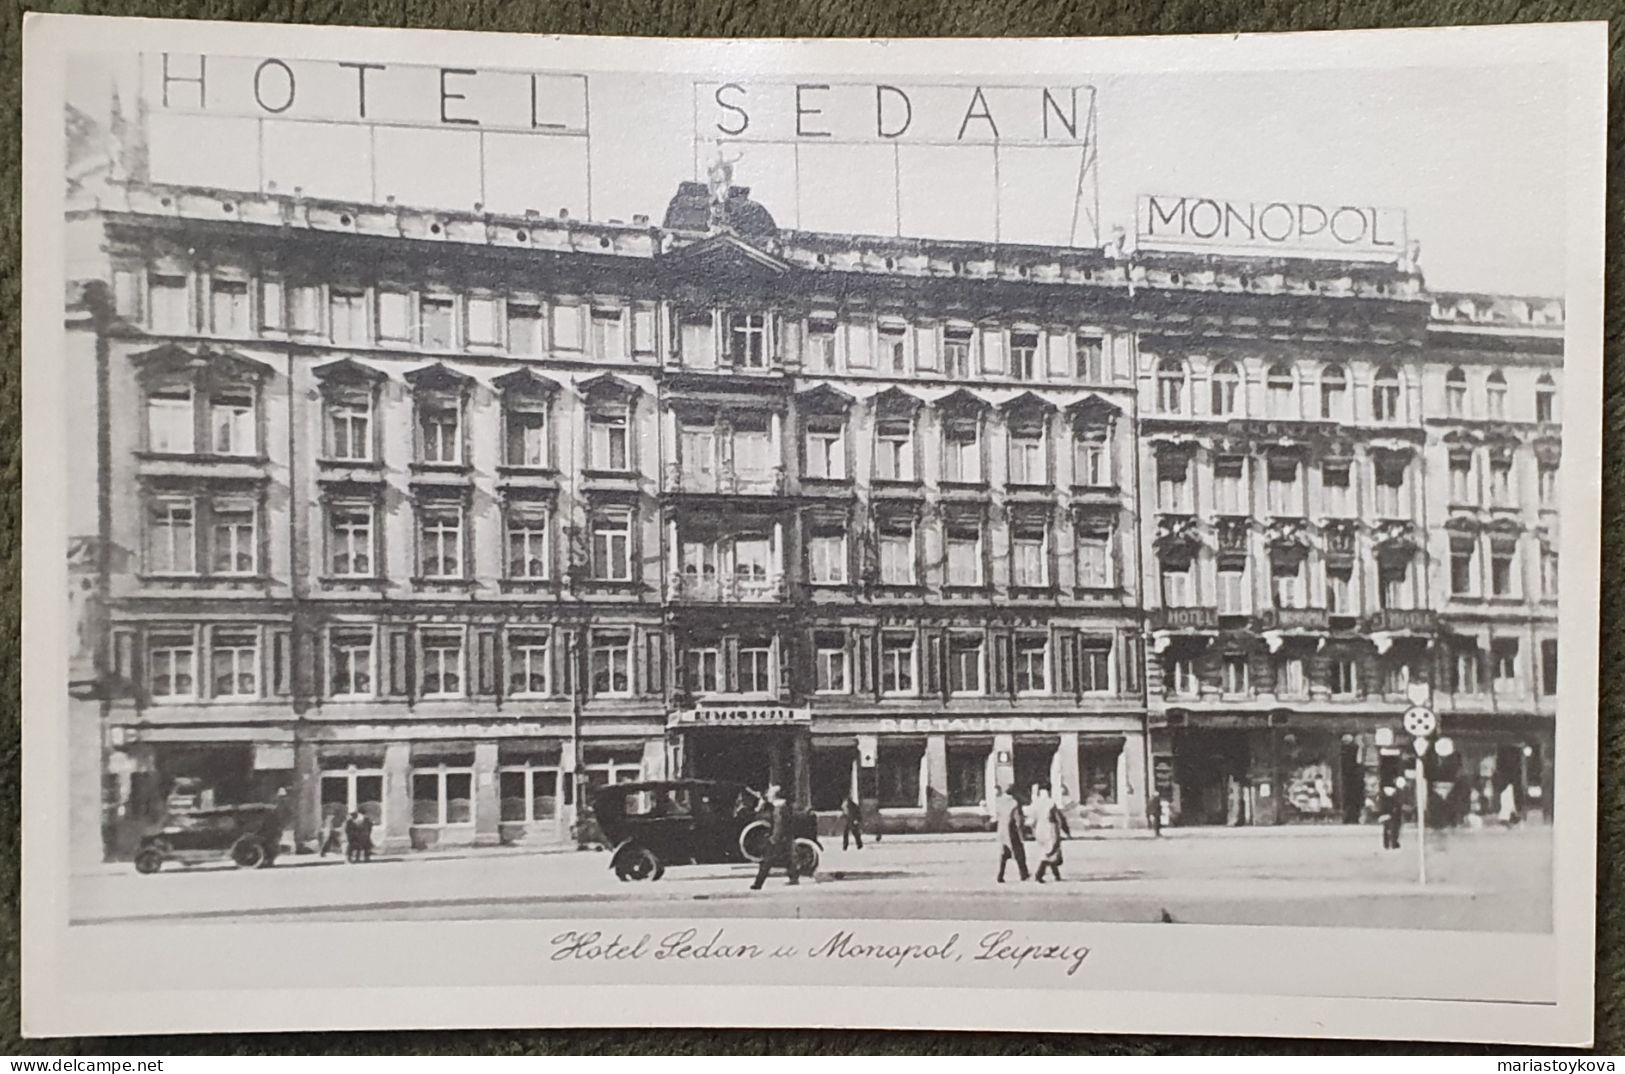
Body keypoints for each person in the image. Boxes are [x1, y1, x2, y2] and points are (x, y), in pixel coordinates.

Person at [749, 784, 800, 890]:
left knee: (766, 861)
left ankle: (758, 883)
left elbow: (778, 823)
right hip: (786, 838)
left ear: (775, 796)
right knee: (788, 857)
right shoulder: (784, 806)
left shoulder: (778, 808)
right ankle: (794, 877)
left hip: (778, 838)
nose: (768, 795)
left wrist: (774, 838)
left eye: (770, 793)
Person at [1030, 783, 1071, 883]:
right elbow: (1059, 819)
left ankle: (1057, 875)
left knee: (1048, 852)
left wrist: (1034, 832)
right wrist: (1066, 831)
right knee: (1051, 852)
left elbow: (1032, 820)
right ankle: (1039, 874)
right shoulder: (1051, 803)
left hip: (1040, 830)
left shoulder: (1036, 803)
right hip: (1050, 829)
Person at [995, 785, 1030, 883]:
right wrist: (1021, 833)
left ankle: (1000, 875)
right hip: (1011, 830)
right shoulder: (1014, 803)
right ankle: (1024, 874)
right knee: (1019, 853)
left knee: (1004, 854)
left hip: (1002, 830)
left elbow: (997, 816)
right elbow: (1018, 820)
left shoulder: (999, 802)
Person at [1378, 780, 1404, 850]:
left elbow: (1381, 804)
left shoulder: (1382, 793)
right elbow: (1398, 804)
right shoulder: (1396, 791)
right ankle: (1393, 843)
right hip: (1393, 813)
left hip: (1385, 813)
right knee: (1394, 828)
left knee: (1386, 828)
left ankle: (1386, 844)